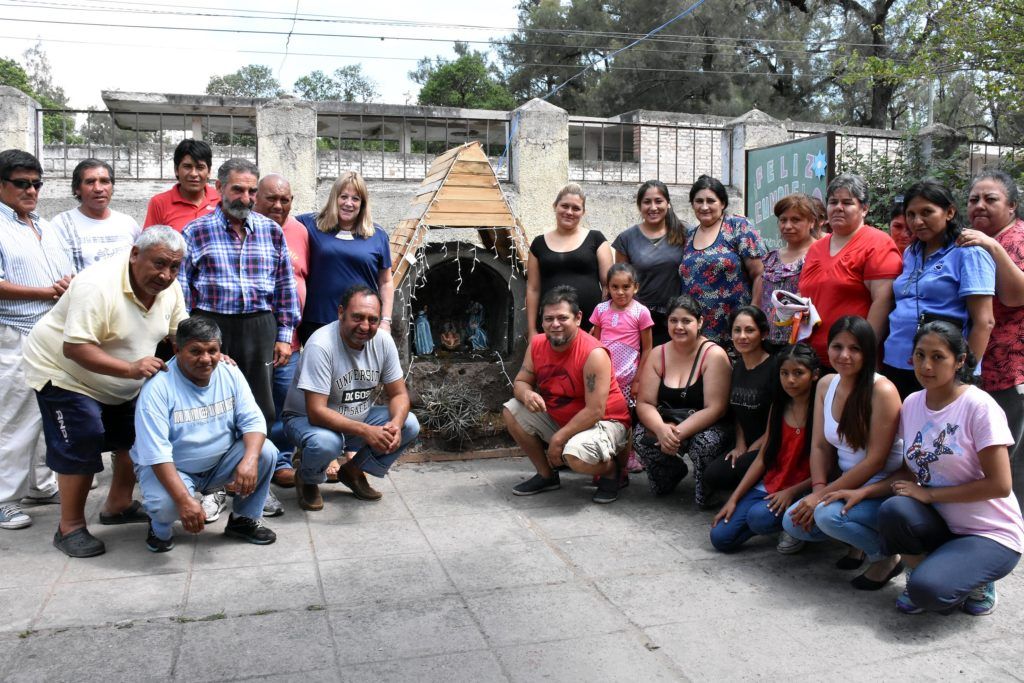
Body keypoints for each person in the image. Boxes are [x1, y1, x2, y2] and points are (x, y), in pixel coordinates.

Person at [823, 322, 1023, 615]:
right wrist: (862, 491)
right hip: (942, 523)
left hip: (990, 532)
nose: (926, 365)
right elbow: (909, 472)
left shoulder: (979, 407)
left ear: (960, 360)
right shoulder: (914, 403)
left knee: (929, 593)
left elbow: (1000, 485)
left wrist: (929, 496)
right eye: (919, 355)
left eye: (938, 357)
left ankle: (978, 579)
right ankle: (933, 567)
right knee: (893, 508)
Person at [22, 227, 188, 557]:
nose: (165, 275)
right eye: (158, 264)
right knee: (83, 436)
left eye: (174, 267)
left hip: (121, 378)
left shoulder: (169, 288)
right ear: (134, 254)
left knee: (136, 436)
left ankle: (118, 505)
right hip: (64, 372)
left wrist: (208, 351)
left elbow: (179, 333)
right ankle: (69, 527)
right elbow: (75, 348)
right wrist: (130, 369)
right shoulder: (96, 284)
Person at [180, 158, 299, 524]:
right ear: (219, 188)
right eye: (238, 189)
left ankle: (255, 489)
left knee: (261, 409)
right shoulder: (195, 232)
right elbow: (183, 291)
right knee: (217, 410)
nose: (245, 197)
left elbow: (284, 286)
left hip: (260, 329)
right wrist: (186, 339)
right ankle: (217, 488)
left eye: (251, 191)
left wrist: (283, 336)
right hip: (212, 329)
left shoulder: (270, 230)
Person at [131, 317, 278, 552]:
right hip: (172, 467)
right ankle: (159, 528)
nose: (206, 359)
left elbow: (253, 420)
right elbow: (156, 454)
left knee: (265, 452)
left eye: (213, 350)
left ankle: (242, 520)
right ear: (177, 350)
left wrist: (249, 461)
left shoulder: (230, 372)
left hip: (218, 463)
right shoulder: (157, 389)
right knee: (166, 505)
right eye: (196, 351)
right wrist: (184, 501)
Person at [782, 316, 905, 589]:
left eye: (855, 349)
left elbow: (875, 462)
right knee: (793, 521)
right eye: (837, 347)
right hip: (844, 483)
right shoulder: (826, 383)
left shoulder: (882, 390)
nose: (844, 355)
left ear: (868, 352)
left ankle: (887, 558)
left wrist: (821, 498)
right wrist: (818, 488)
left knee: (826, 516)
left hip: (881, 489)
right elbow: (819, 445)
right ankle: (856, 543)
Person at [283, 285, 419, 509]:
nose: (365, 326)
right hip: (305, 420)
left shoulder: (383, 342)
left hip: (355, 419)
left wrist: (394, 425)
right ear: (340, 313)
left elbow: (398, 394)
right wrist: (367, 431)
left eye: (372, 320)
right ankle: (307, 479)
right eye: (357, 317)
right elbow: (316, 412)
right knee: (327, 442)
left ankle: (353, 471)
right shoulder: (321, 344)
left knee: (408, 424)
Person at [0, 149, 74, 531]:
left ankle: (41, 486)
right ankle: (4, 499)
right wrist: (45, 292)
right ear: (2, 185)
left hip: (51, 334)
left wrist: (65, 285)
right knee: (14, 419)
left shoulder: (43, 225)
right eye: (21, 183)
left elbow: (64, 275)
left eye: (36, 184)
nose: (31, 190)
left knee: (48, 414)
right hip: (14, 333)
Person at [504, 285, 631, 504]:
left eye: (562, 318)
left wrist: (558, 439)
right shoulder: (537, 344)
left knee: (574, 456)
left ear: (578, 318)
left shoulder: (594, 354)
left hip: (606, 421)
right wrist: (526, 395)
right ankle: (546, 475)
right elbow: (522, 381)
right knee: (512, 410)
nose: (554, 325)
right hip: (563, 416)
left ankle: (612, 471)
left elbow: (595, 411)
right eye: (548, 319)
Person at [883, 181, 995, 400]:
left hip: (942, 369)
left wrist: (963, 376)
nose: (917, 221)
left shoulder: (969, 252)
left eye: (927, 212)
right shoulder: (911, 253)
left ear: (949, 212)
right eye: (911, 214)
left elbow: (984, 322)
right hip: (897, 361)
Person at [711, 343, 819, 553]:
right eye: (784, 373)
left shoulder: (821, 411)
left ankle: (794, 528)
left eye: (799, 373)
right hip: (772, 484)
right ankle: (775, 519)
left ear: (814, 375)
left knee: (758, 517)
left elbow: (829, 469)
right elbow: (762, 457)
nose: (790, 380)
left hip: (803, 488)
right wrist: (734, 499)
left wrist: (792, 491)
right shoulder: (779, 406)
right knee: (720, 538)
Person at [633, 295, 732, 507]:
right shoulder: (658, 353)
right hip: (668, 422)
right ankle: (671, 472)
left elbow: (716, 408)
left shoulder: (713, 355)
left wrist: (675, 434)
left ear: (700, 322)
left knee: (706, 443)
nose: (679, 326)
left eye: (686, 321)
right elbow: (645, 402)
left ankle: (707, 488)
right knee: (641, 436)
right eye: (673, 321)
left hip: (707, 424)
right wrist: (661, 429)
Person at [956, 169, 1024, 471]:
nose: (979, 205)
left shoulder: (1016, 238)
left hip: (1010, 370)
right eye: (973, 199)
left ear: (1012, 206)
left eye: (990, 199)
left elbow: (1014, 296)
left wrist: (993, 246)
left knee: (1007, 461)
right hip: (982, 366)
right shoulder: (974, 241)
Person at [799, 174, 902, 367]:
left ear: (864, 209)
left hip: (851, 360)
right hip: (811, 357)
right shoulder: (816, 248)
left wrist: (864, 351)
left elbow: (883, 301)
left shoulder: (877, 244)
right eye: (833, 202)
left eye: (847, 202)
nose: (838, 207)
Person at [254, 173, 309, 499]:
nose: (278, 205)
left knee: (285, 405)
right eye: (271, 199)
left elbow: (304, 278)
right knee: (255, 406)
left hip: (291, 340)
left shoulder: (299, 232)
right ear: (256, 198)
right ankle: (249, 463)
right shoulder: (245, 231)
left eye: (285, 199)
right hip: (253, 341)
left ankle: (282, 462)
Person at [296, 172, 394, 344]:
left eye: (355, 199)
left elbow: (386, 282)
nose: (349, 203)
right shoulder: (310, 225)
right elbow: (280, 224)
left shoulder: (377, 236)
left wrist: (385, 320)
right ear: (334, 198)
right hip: (317, 321)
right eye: (344, 197)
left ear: (362, 204)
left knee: (358, 371)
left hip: (361, 325)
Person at [679, 175, 766, 345]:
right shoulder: (689, 235)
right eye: (699, 201)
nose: (704, 207)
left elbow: (760, 272)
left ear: (723, 203)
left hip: (735, 328)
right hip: (697, 330)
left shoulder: (737, 226)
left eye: (711, 201)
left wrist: (754, 313)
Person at [703, 306, 775, 498]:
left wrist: (753, 449)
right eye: (737, 330)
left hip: (770, 445)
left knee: (739, 469)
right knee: (712, 475)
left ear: (764, 333)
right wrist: (740, 445)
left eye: (749, 330)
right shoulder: (738, 366)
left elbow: (777, 420)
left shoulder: (774, 368)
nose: (742, 336)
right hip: (747, 444)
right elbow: (737, 413)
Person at [589, 263, 654, 474]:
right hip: (603, 377)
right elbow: (594, 344)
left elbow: (648, 349)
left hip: (627, 380)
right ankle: (601, 452)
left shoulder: (641, 312)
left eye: (625, 287)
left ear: (635, 287)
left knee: (626, 417)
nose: (620, 292)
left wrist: (638, 380)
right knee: (601, 414)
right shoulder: (600, 310)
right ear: (607, 288)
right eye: (614, 287)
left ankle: (629, 455)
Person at [526, 184, 612, 336]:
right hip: (551, 326)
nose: (569, 212)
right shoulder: (538, 244)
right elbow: (533, 289)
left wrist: (601, 323)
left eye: (576, 208)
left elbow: (608, 286)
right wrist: (532, 330)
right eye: (564, 206)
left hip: (590, 327)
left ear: (583, 212)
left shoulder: (596, 239)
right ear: (555, 206)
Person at [611, 180, 687, 345]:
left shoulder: (684, 233)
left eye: (658, 201)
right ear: (640, 206)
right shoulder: (626, 239)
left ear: (668, 203)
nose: (653, 207)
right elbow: (621, 281)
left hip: (675, 318)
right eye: (647, 202)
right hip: (639, 318)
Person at [51, 159, 141, 273]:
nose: (98, 188)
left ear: (112, 187)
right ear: (77, 189)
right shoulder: (61, 225)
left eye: (105, 181)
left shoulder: (128, 223)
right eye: (90, 182)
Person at [754, 193, 818, 344]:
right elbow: (756, 301)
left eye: (796, 220)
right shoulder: (770, 259)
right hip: (767, 343)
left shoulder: (819, 254)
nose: (788, 226)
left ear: (812, 222)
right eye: (783, 220)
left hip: (802, 346)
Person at [143, 139, 220, 232]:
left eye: (200, 167)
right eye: (187, 167)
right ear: (176, 169)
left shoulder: (221, 200)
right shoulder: (159, 203)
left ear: (209, 171)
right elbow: (149, 243)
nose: (194, 174)